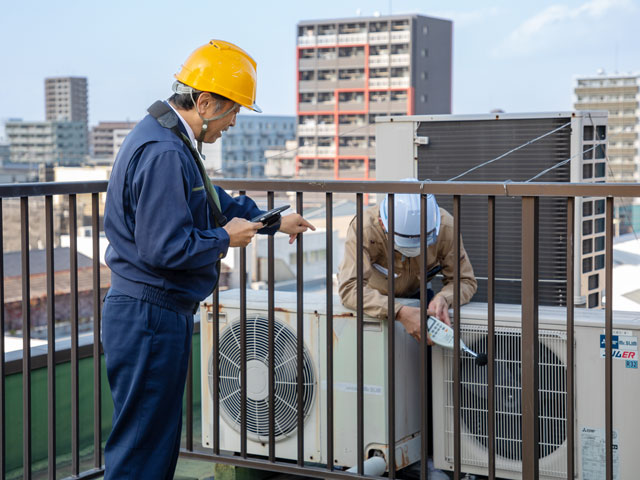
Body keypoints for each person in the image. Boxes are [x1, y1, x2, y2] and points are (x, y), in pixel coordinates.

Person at [101, 40, 314, 479]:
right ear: (204, 101)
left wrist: (273, 221)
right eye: (233, 109)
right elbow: (165, 247)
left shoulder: (171, 140)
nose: (234, 121)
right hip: (149, 314)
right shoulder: (165, 153)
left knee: (150, 439)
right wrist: (222, 240)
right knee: (142, 446)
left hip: (152, 312)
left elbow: (216, 204)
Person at [338, 188, 477, 341]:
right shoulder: (365, 228)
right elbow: (350, 287)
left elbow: (465, 280)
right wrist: (399, 311)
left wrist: (445, 298)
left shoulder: (447, 228)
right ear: (382, 224)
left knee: (425, 357)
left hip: (421, 296)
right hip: (373, 300)